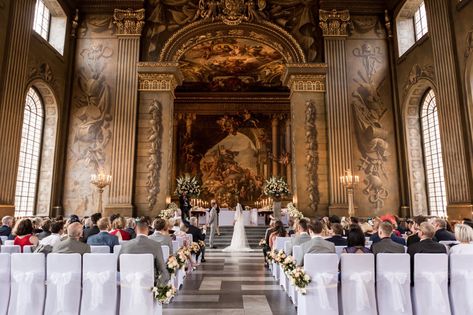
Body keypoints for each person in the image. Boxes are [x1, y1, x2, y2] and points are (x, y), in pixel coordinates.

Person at [119, 217, 170, 286]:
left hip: (128, 284)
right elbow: (162, 268)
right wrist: (159, 287)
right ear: (148, 230)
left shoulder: (125, 245)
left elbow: (118, 267)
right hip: (150, 284)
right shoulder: (156, 245)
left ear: (135, 230)